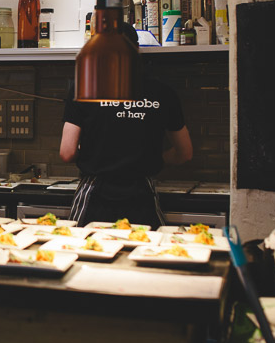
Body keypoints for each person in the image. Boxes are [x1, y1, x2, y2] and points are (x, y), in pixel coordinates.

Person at [59, 22, 193, 228]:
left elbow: (67, 152)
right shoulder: (163, 92)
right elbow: (184, 153)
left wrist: (94, 155)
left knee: (86, 251)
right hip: (141, 194)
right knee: (146, 254)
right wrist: (150, 158)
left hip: (95, 193)